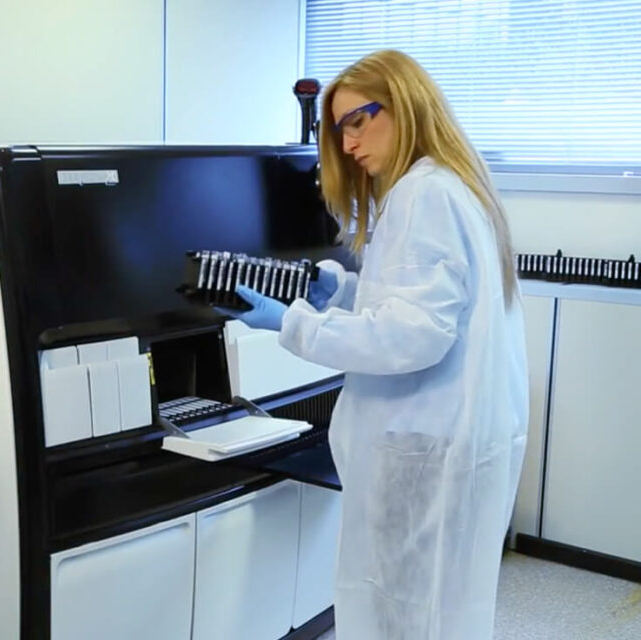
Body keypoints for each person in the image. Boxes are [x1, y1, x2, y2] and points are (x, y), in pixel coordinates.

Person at [222, 50, 529, 640]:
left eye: (360, 119)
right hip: (455, 439)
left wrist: (296, 324)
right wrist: (334, 289)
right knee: (439, 610)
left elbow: (412, 334)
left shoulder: (423, 195)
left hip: (420, 447)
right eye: (338, 129)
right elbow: (423, 299)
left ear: (407, 104)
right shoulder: (452, 186)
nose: (349, 141)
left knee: (401, 608)